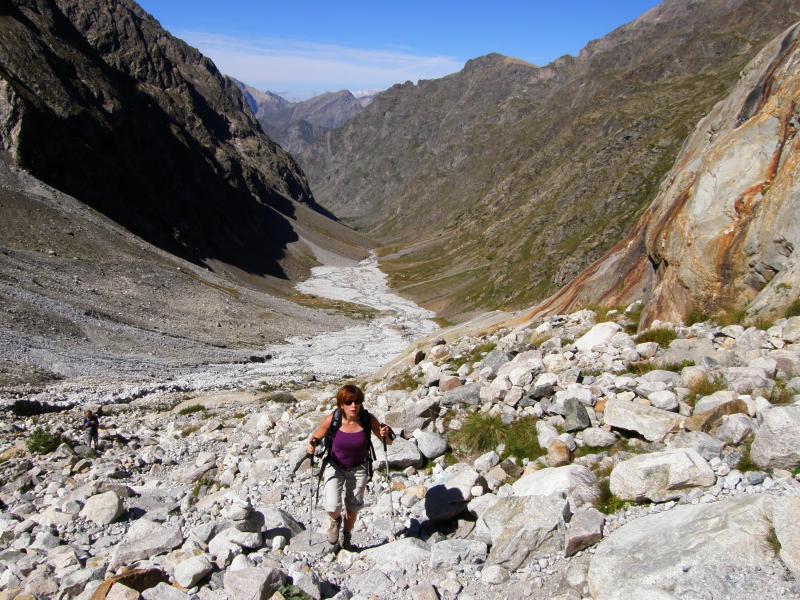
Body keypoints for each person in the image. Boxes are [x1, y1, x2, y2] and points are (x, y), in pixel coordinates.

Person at [306, 384, 392, 550]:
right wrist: (311, 445)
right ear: (341, 404)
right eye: (349, 402)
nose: (354, 405)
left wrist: (385, 435)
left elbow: (387, 441)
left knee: (353, 507)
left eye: (357, 401)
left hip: (359, 468)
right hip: (335, 465)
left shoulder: (367, 419)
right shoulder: (333, 419)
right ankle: (334, 521)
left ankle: (346, 536)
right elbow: (316, 437)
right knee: (332, 505)